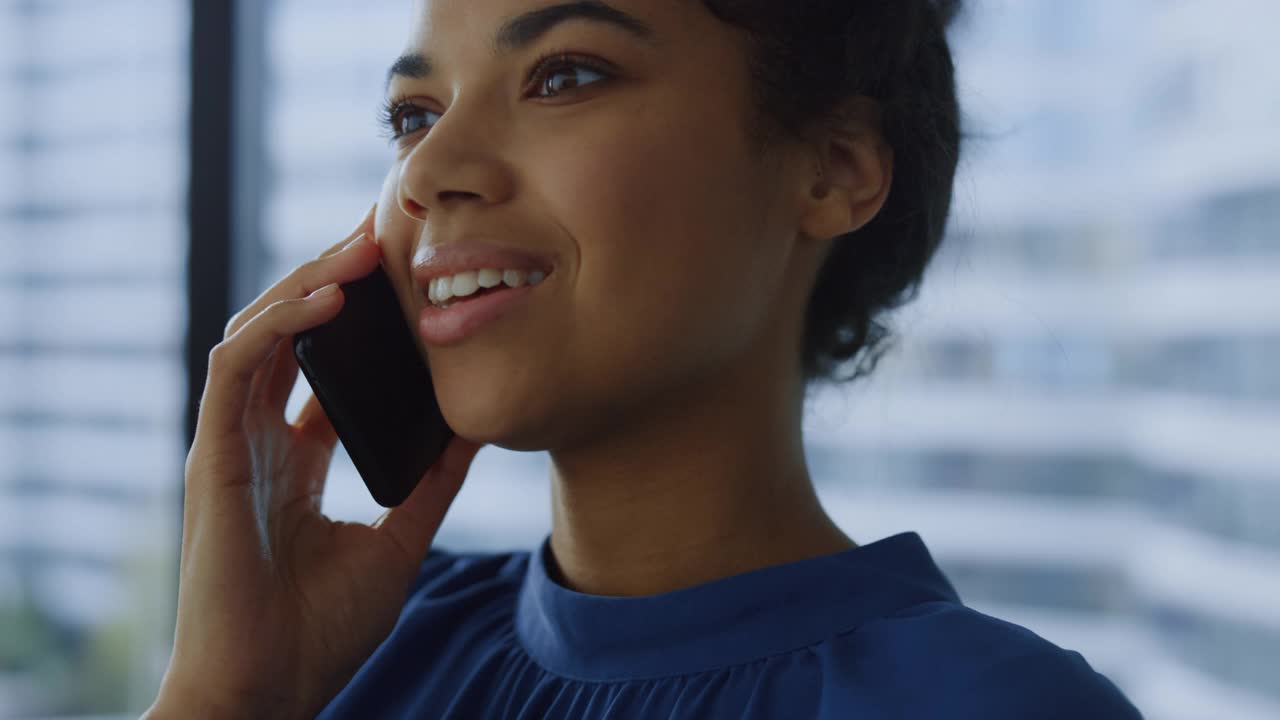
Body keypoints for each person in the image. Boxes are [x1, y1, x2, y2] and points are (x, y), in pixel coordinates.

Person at [143, 0, 1146, 718]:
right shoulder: (348, 652)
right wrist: (224, 698)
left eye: (564, 75)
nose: (430, 172)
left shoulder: (991, 706)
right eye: (414, 116)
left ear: (832, 170)